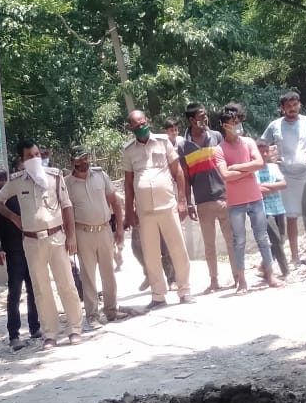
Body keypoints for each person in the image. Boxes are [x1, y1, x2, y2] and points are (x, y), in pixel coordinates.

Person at [0, 139, 84, 349]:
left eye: (37, 155)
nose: (35, 159)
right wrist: (14, 217)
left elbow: (67, 206)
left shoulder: (54, 176)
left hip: (56, 236)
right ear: (22, 160)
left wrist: (71, 237)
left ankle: (74, 328)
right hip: (32, 241)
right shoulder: (17, 181)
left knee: (66, 284)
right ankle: (50, 333)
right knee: (41, 288)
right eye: (29, 156)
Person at [122, 109, 193, 310]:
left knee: (178, 248)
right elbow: (128, 183)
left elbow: (178, 172)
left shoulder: (163, 142)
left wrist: (182, 201)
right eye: (136, 125)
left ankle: (184, 290)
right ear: (131, 128)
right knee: (151, 254)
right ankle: (158, 296)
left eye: (142, 122)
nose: (141, 126)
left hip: (168, 205)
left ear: (148, 121)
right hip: (145, 211)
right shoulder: (128, 150)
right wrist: (129, 211)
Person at [257, 91, 306, 266]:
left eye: (295, 105)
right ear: (282, 108)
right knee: (291, 217)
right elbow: (261, 144)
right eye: (288, 106)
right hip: (287, 176)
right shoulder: (275, 126)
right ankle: (295, 257)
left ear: (299, 105)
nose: (292, 109)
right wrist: (269, 160)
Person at [215, 103, 283, 293]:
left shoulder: (249, 142)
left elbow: (260, 163)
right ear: (225, 125)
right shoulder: (219, 150)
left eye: (239, 121)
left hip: (255, 197)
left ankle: (271, 275)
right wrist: (248, 168)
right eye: (233, 122)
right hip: (235, 202)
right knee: (239, 241)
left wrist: (237, 167)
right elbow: (225, 176)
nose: (238, 125)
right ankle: (241, 281)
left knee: (263, 237)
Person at [65, 146, 130, 329]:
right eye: (79, 160)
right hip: (82, 232)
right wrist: (70, 237)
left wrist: (119, 228)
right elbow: (65, 212)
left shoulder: (100, 175)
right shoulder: (67, 184)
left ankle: (111, 310)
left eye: (85, 158)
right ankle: (92, 316)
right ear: (72, 162)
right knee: (88, 276)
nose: (83, 162)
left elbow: (114, 201)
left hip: (104, 229)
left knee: (109, 272)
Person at [178, 102, 234, 294]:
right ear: (191, 120)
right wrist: (188, 203)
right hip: (202, 202)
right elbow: (185, 177)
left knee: (232, 240)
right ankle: (214, 281)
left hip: (224, 197)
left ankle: (238, 276)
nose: (205, 119)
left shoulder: (216, 136)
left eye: (205, 115)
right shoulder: (183, 146)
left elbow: (227, 164)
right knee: (209, 245)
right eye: (201, 116)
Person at [0, 167, 41, 351]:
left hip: (29, 245)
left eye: (2, 179)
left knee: (33, 289)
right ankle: (14, 334)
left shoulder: (21, 190)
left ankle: (35, 327)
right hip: (13, 250)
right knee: (15, 293)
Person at [256, 147, 290, 279]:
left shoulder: (273, 167)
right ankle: (285, 271)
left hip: (278, 208)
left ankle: (264, 266)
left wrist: (266, 186)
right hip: (264, 210)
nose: (264, 154)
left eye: (266, 151)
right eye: (261, 151)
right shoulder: (253, 170)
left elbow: (284, 184)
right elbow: (257, 190)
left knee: (281, 239)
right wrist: (274, 186)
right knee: (276, 240)